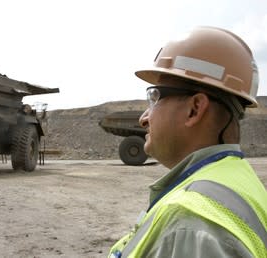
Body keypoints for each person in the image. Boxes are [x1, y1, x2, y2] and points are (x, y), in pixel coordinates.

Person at [109, 26, 267, 258]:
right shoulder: (239, 178)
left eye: (154, 97)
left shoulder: (190, 225)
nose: (144, 118)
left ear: (194, 109)